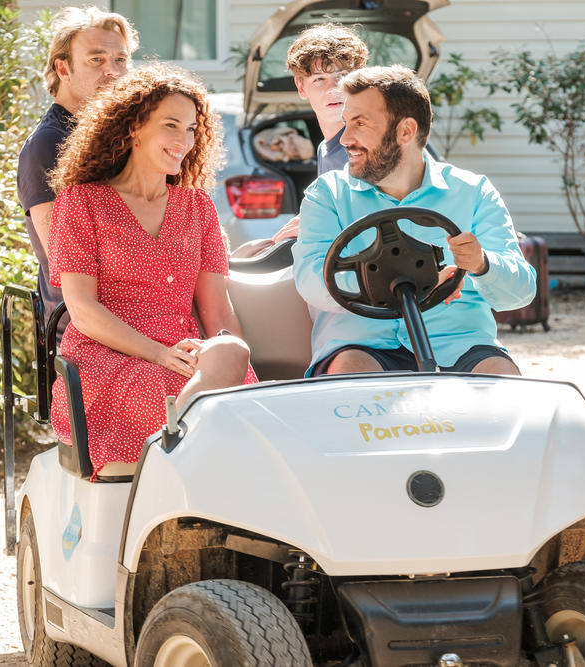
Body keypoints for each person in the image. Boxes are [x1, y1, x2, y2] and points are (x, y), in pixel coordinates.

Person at [47, 65, 257, 476]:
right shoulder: (80, 202)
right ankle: (180, 442)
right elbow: (83, 310)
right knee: (161, 389)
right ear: (133, 128)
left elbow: (218, 313)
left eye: (193, 129)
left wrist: (232, 362)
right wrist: (159, 353)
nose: (185, 141)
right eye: (171, 125)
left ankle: (181, 437)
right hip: (106, 355)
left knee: (233, 351)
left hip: (184, 354)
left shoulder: (198, 207)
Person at [293, 65, 537, 377]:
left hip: (458, 344)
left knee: (505, 382)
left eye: (359, 124)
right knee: (351, 377)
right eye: (345, 124)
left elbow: (521, 292)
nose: (345, 139)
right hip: (361, 346)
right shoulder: (326, 194)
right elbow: (310, 281)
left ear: (406, 131)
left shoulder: (473, 191)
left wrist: (481, 264)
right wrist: (405, 281)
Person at [17, 6, 138, 336]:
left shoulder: (122, 136)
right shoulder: (48, 145)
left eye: (121, 60)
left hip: (143, 312)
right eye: (96, 60)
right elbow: (62, 258)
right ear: (63, 69)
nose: (112, 72)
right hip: (83, 334)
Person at [264, 22, 368, 245]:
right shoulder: (325, 149)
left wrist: (317, 223)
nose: (333, 88)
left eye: (342, 76)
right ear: (301, 87)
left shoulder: (370, 144)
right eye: (319, 79)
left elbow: (382, 216)